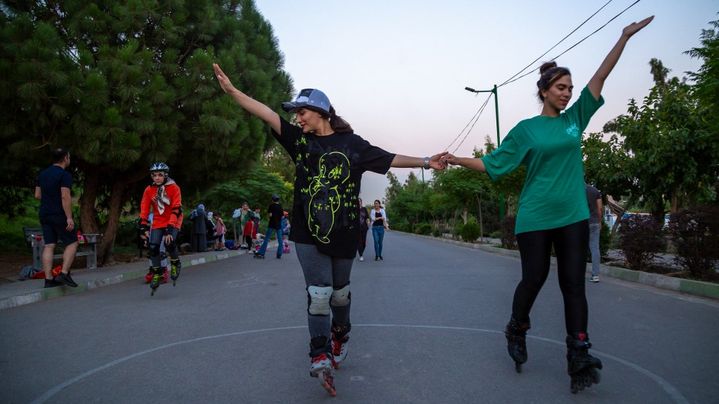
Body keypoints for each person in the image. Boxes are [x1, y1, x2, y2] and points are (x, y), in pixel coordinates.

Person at [443, 16, 653, 394]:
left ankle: (579, 353)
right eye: (560, 87)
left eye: (570, 87)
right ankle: (517, 327)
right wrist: (457, 159)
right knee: (534, 279)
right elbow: (495, 162)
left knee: (574, 285)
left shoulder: (575, 120)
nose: (567, 93)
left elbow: (600, 78)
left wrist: (623, 38)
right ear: (544, 91)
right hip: (536, 217)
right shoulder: (526, 130)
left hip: (573, 214)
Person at [214, 64, 447, 396]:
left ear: (321, 112)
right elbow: (267, 114)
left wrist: (427, 161)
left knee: (339, 294)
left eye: (303, 111)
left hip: (344, 230)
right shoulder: (299, 142)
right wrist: (234, 92)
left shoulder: (353, 144)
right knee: (319, 294)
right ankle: (319, 353)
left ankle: (341, 333)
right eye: (295, 113)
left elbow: (390, 158)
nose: (298, 118)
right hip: (307, 232)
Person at [34, 148, 78, 288]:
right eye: (69, 157)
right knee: (72, 242)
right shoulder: (64, 175)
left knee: (49, 245)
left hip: (45, 213)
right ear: (65, 158)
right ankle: (64, 274)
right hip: (59, 214)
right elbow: (65, 196)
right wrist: (69, 217)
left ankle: (48, 280)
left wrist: (49, 198)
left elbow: (37, 195)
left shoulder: (43, 174)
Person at [138, 162, 183, 295]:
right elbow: (144, 209)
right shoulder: (148, 190)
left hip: (174, 218)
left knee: (169, 242)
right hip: (158, 219)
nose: (157, 178)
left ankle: (175, 263)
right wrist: (143, 227)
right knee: (153, 247)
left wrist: (170, 229)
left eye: (160, 175)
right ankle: (157, 272)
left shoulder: (174, 188)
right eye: (154, 175)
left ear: (165, 175)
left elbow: (176, 208)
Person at [255, 195, 284, 259]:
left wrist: (271, 218)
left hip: (272, 224)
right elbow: (282, 216)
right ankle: (279, 254)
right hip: (278, 225)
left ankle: (261, 253)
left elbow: (270, 215)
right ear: (278, 200)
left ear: (273, 200)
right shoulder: (280, 207)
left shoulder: (271, 206)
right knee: (280, 240)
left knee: (267, 238)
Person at [586, 184, 603, 282]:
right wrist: (599, 221)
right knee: (595, 249)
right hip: (594, 222)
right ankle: (595, 275)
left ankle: (577, 274)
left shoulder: (577, 191)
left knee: (579, 249)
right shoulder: (595, 190)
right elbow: (600, 209)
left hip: (581, 223)